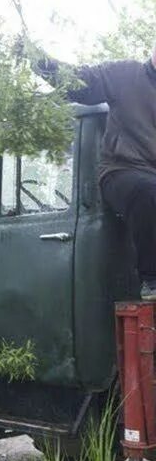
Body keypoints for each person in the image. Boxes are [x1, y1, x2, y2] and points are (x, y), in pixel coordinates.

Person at [26, 38, 156, 301]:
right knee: (148, 191)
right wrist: (38, 59)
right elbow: (78, 82)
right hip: (122, 170)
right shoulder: (125, 75)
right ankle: (152, 280)